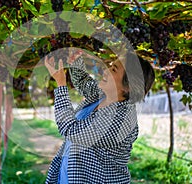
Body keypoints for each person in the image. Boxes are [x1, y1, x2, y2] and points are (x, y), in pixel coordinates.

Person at [44, 50, 155, 184]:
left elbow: (71, 130)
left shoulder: (120, 120)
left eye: (113, 69)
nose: (106, 70)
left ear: (128, 86)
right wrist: (76, 62)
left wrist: (61, 84)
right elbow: (83, 82)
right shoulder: (104, 97)